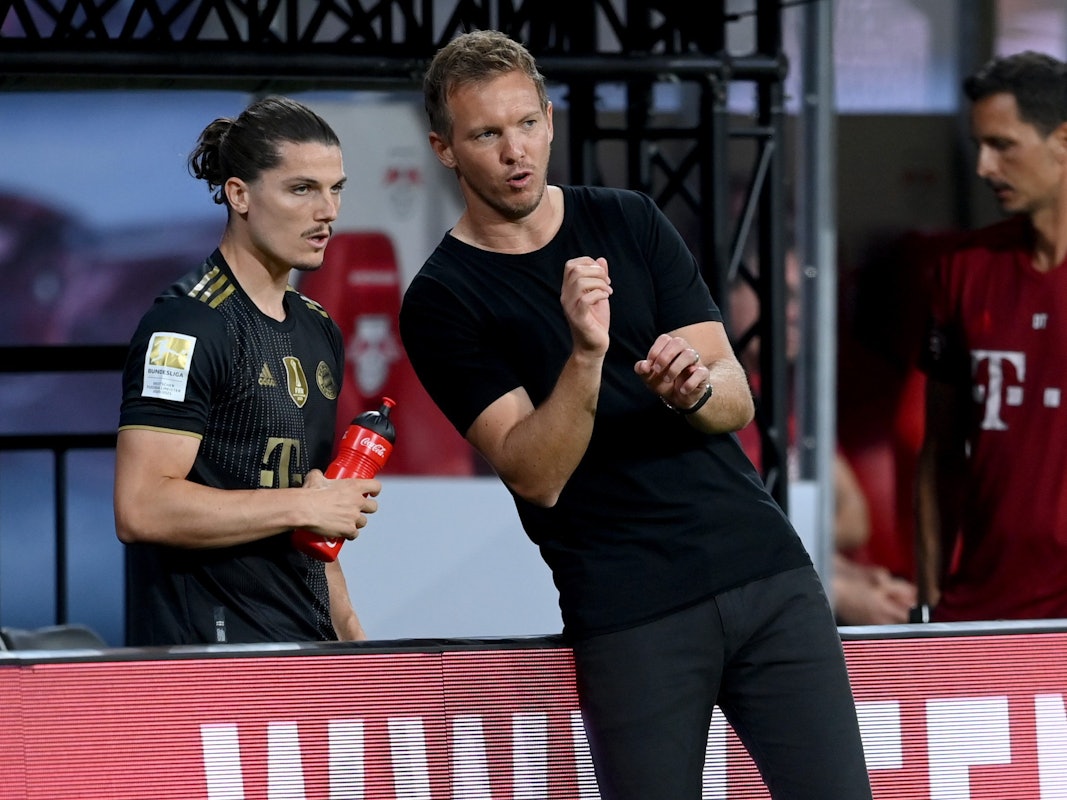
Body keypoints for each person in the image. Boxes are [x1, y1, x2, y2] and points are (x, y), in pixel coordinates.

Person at [399, 29, 872, 800]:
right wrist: (585, 355)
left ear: (549, 120)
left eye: (525, 124)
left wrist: (693, 390)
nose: (514, 150)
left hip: (762, 568)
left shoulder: (628, 218)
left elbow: (734, 398)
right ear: (445, 149)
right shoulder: (442, 299)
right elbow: (536, 475)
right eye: (486, 134)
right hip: (630, 608)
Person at [114, 95, 381, 646]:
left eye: (336, 189)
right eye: (301, 188)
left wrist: (352, 635)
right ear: (239, 195)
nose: (327, 210)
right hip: (210, 665)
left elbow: (312, 516)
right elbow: (141, 506)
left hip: (306, 647)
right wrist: (302, 504)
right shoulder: (186, 324)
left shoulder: (318, 326)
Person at [916, 51, 1067, 623]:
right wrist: (928, 602)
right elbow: (940, 453)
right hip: (983, 607)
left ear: (1063, 140)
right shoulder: (964, 269)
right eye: (980, 144)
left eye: (1003, 145)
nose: (983, 166)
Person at [729, 256, 918, 625]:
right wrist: (832, 583)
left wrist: (839, 572)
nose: (796, 312)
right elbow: (717, 535)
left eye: (804, 298)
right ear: (722, 294)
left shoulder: (787, 400)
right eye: (782, 294)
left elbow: (853, 517)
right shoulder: (696, 397)